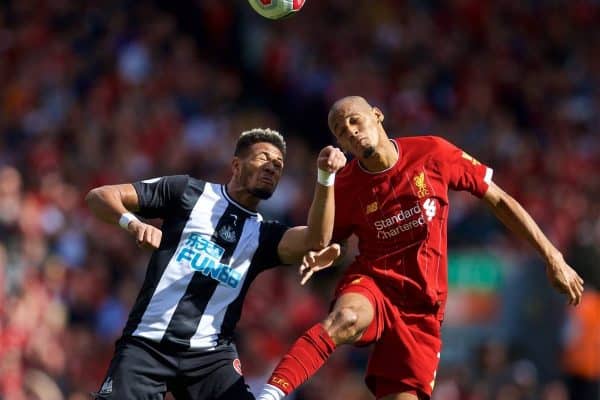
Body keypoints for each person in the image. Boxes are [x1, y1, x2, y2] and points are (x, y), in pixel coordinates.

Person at [256, 96, 585, 400]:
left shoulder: (433, 153)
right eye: (341, 132)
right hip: (375, 283)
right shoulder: (345, 187)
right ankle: (269, 394)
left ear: (377, 115)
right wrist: (327, 250)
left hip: (423, 309)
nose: (351, 132)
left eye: (355, 121)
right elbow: (323, 237)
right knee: (345, 318)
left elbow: (498, 199)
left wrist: (552, 256)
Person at [85, 128, 346, 400]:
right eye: (263, 158)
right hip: (147, 344)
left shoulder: (264, 235)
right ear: (236, 165)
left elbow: (317, 239)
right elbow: (100, 197)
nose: (272, 167)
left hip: (209, 357)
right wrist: (134, 223)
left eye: (278, 165)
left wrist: (325, 177)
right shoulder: (187, 192)